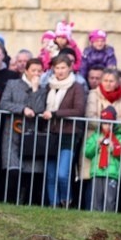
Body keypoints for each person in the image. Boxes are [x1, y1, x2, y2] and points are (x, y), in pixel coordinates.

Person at [0, 57, 48, 204]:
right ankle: (10, 203)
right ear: (26, 70)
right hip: (12, 133)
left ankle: (26, 204)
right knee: (13, 171)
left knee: (30, 173)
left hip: (31, 135)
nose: (36, 74)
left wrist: (34, 90)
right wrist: (22, 109)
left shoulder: (43, 89)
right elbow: (4, 103)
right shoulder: (13, 84)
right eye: (33, 70)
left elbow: (38, 109)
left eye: (39, 71)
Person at [41, 53, 86, 207]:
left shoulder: (77, 87)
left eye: (63, 68)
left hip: (69, 134)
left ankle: (66, 201)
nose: (60, 71)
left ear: (70, 68)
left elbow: (79, 110)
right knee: (51, 174)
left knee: (63, 173)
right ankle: (53, 204)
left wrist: (55, 114)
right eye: (57, 68)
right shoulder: (49, 85)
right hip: (51, 133)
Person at [84, 106, 121, 212]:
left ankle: (109, 218)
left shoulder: (118, 138)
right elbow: (87, 152)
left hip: (112, 173)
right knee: (96, 199)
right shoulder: (96, 136)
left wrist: (115, 149)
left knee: (110, 199)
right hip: (97, 172)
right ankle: (95, 219)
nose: (107, 126)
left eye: (110, 123)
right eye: (105, 123)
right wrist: (97, 145)